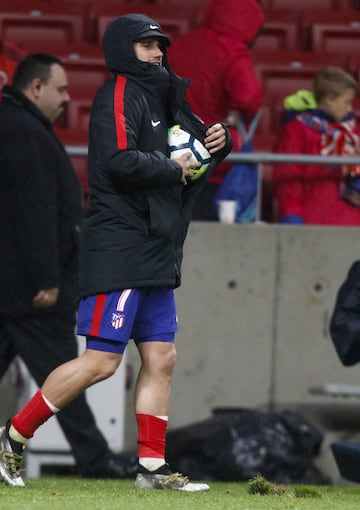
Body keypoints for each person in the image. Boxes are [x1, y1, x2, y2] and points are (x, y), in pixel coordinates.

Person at [0, 14, 232, 490]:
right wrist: (173, 165)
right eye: (147, 45)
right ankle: (12, 438)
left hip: (156, 248)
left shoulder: (167, 96)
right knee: (102, 363)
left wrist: (217, 143)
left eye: (160, 45)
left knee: (162, 356)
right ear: (125, 50)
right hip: (121, 246)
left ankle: (151, 468)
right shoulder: (118, 94)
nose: (158, 52)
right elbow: (118, 162)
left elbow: (194, 154)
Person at [0, 53, 137, 481]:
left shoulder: (20, 127)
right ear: (35, 87)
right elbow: (33, 211)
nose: (66, 98)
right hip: (33, 288)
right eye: (60, 89)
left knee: (62, 371)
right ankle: (95, 459)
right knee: (66, 374)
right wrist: (47, 278)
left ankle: (94, 456)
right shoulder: (23, 131)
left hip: (15, 284)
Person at [168, 0, 263, 220]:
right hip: (211, 154)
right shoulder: (232, 50)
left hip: (172, 146)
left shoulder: (181, 44)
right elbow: (249, 100)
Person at [273, 66, 360, 225]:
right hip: (312, 217)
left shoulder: (352, 133)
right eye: (346, 102)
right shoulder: (295, 130)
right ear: (329, 98)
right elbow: (289, 177)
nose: (350, 109)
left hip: (352, 219)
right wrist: (291, 213)